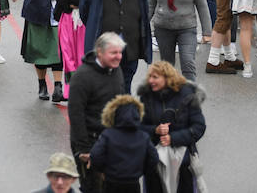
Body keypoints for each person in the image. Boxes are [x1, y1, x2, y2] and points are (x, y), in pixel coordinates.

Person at [80, 0, 152, 88]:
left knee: (125, 87)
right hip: (106, 51)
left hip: (130, 51)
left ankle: (122, 107)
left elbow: (144, 17)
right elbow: (85, 13)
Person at [137, 60, 207, 193]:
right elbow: (138, 127)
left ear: (167, 78)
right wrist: (155, 130)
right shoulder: (146, 97)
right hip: (154, 161)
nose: (151, 80)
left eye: (155, 77)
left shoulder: (188, 95)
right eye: (150, 77)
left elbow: (199, 127)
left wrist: (173, 138)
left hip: (183, 161)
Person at [68, 32, 126, 190]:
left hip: (113, 141)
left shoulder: (116, 70)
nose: (118, 57)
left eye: (120, 52)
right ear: (99, 52)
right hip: (90, 142)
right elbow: (76, 114)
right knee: (93, 187)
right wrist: (84, 149)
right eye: (113, 53)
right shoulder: (82, 77)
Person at [88, 95, 159, 193]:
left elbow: (95, 155)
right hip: (133, 182)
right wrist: (140, 171)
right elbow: (153, 158)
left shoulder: (108, 135)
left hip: (111, 181)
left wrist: (103, 171)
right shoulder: (143, 136)